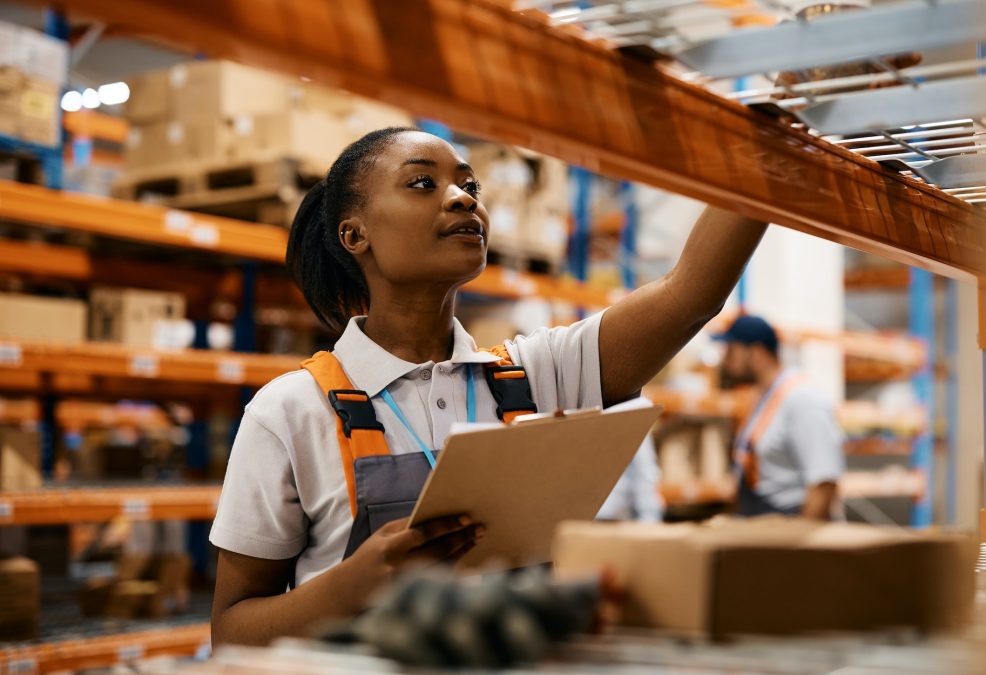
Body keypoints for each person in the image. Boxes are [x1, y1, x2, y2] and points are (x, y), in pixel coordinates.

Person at [209, 127, 767, 646]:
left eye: (469, 184)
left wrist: (766, 152)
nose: (462, 197)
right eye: (423, 183)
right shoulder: (289, 412)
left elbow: (689, 294)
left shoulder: (540, 374)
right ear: (355, 235)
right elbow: (231, 630)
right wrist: (346, 589)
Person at [718, 315, 845, 519]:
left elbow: (824, 483)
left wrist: (797, 547)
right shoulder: (762, 400)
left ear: (757, 353)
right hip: (765, 526)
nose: (725, 360)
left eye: (731, 351)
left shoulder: (803, 400)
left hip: (791, 527)